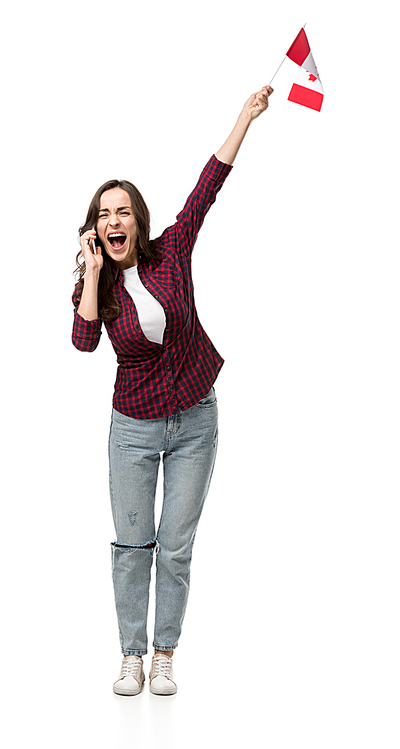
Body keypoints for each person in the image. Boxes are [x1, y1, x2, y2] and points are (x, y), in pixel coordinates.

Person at [72, 85, 273, 696]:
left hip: (194, 420)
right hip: (133, 427)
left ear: (139, 219)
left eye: (123, 211)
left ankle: (164, 654)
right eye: (104, 214)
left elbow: (207, 186)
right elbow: (83, 342)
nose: (114, 221)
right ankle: (130, 654)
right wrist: (91, 273)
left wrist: (245, 116)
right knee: (133, 545)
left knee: (176, 549)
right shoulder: (97, 282)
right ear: (95, 227)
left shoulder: (172, 254)